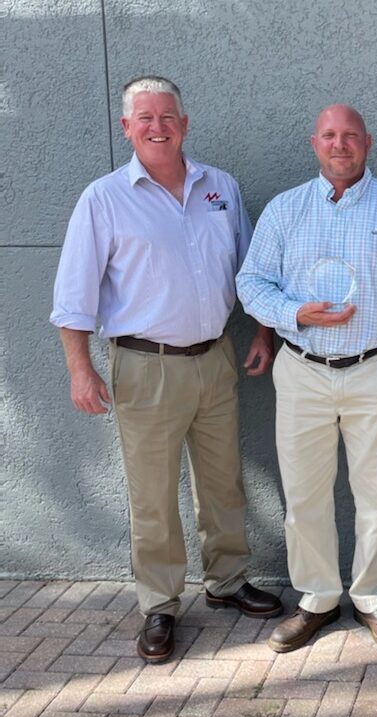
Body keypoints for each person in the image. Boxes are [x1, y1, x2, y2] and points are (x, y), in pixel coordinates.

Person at [50, 75, 282, 665]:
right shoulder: (103, 198)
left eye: (168, 115)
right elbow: (73, 297)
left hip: (215, 358)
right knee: (152, 494)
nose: (158, 126)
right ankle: (159, 603)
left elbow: (253, 271)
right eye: (144, 117)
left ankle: (228, 582)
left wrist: (262, 332)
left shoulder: (220, 188)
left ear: (184, 122)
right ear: (127, 127)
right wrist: (81, 370)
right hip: (143, 365)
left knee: (223, 480)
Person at [237, 104, 377, 654]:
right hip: (302, 370)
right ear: (314, 143)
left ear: (367, 143)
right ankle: (318, 597)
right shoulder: (285, 210)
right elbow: (251, 282)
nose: (340, 144)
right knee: (304, 495)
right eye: (329, 135)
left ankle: (373, 597)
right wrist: (296, 314)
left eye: (350, 135)